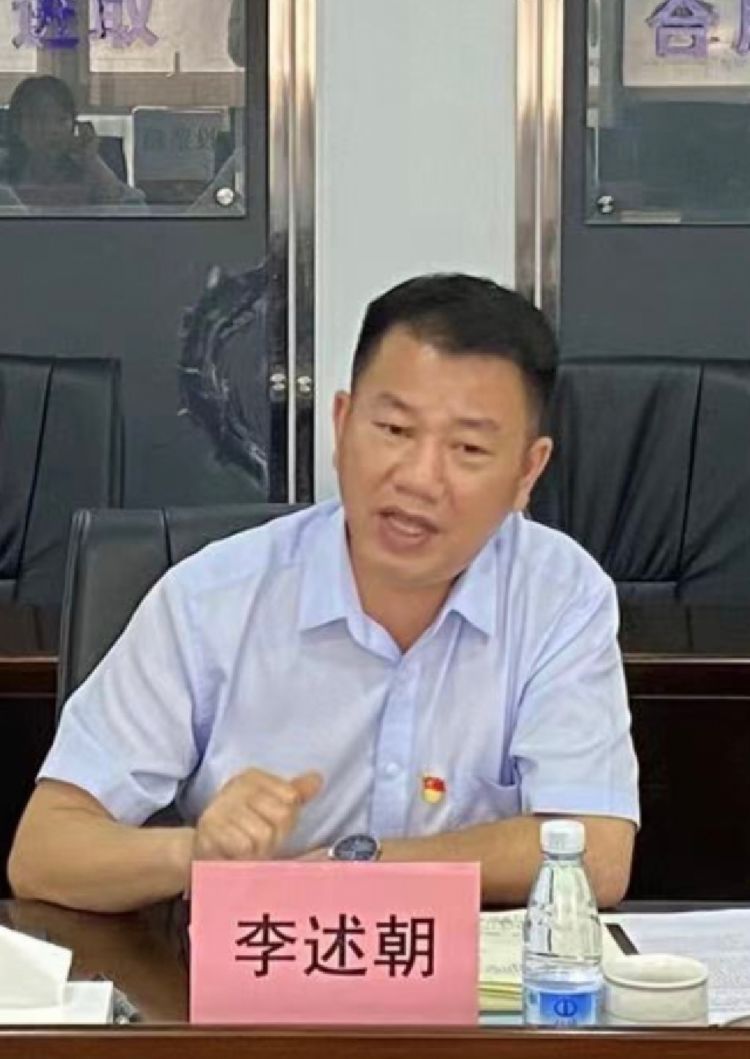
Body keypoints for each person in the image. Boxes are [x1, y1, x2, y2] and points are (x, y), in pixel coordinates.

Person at [8, 274, 639, 913]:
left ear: (528, 471)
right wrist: (197, 852)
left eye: (469, 448)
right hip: (255, 969)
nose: (420, 478)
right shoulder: (211, 598)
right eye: (394, 430)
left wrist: (354, 867)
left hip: (466, 975)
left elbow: (599, 853)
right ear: (341, 424)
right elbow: (43, 852)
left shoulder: (560, 596)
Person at [2, 76, 144, 209]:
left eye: (62, 120)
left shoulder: (88, 169)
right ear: (17, 126)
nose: (53, 130)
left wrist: (92, 161)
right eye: (41, 120)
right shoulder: (5, 170)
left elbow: (137, 210)